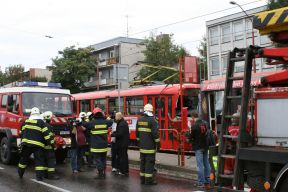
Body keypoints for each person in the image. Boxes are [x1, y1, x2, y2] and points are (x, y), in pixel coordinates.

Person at [18, 107, 55, 181]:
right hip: (38, 146)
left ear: (31, 114)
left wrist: (23, 140)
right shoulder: (41, 123)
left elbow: (20, 133)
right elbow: (46, 135)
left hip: (26, 145)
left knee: (23, 160)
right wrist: (51, 144)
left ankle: (20, 173)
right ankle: (39, 177)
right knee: (39, 161)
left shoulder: (25, 121)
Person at [136, 104, 160, 185]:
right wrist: (158, 144)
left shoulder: (139, 120)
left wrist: (139, 143)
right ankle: (148, 181)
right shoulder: (153, 121)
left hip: (142, 146)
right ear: (151, 111)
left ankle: (142, 179)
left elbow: (137, 134)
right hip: (150, 147)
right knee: (149, 163)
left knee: (142, 162)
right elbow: (155, 135)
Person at [86, 107, 113, 179]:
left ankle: (100, 174)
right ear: (101, 113)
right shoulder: (106, 122)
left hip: (95, 146)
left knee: (98, 160)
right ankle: (103, 172)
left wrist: (89, 118)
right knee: (103, 159)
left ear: (94, 114)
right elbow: (111, 121)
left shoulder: (92, 123)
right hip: (104, 146)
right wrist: (106, 117)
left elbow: (85, 124)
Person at [190, 112, 210, 188]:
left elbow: (191, 137)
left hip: (198, 147)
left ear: (193, 117)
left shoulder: (194, 126)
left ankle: (201, 182)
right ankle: (208, 181)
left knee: (200, 165)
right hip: (206, 146)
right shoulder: (205, 124)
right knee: (206, 163)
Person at [42, 111, 59, 180]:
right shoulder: (48, 127)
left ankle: (45, 175)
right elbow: (49, 138)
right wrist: (54, 145)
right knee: (51, 161)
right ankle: (51, 176)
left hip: (44, 147)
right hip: (49, 147)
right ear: (49, 118)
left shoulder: (43, 125)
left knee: (45, 161)